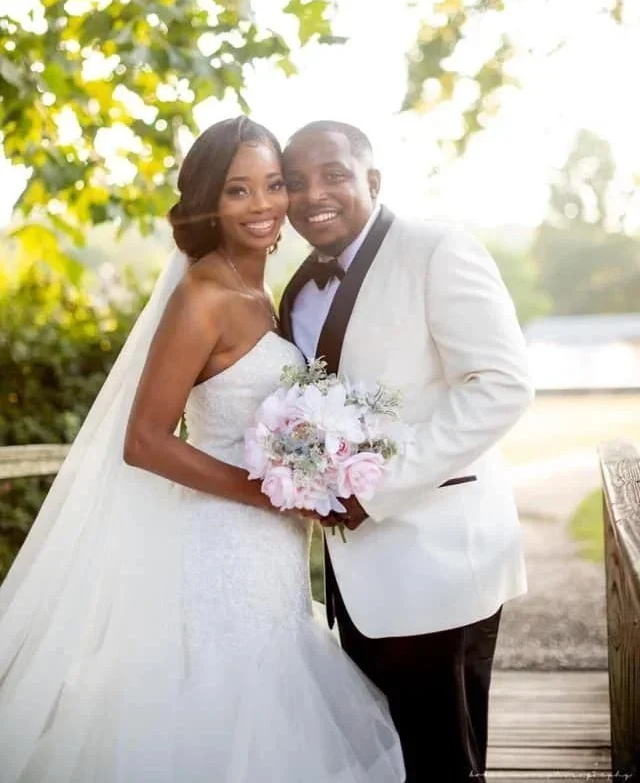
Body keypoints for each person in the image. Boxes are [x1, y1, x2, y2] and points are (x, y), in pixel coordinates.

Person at [0, 117, 404, 783]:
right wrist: (273, 491)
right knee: (225, 710)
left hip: (272, 550)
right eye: (238, 190)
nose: (265, 204)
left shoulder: (267, 291)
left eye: (274, 185)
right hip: (221, 547)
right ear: (207, 203)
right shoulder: (202, 297)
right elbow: (144, 441)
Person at [279, 120, 535, 783]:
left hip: (440, 559)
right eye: (297, 181)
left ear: (372, 178)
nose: (314, 194)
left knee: (443, 764)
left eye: (333, 174)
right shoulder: (298, 287)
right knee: (388, 763)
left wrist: (376, 489)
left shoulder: (437, 248)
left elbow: (501, 386)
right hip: (352, 572)